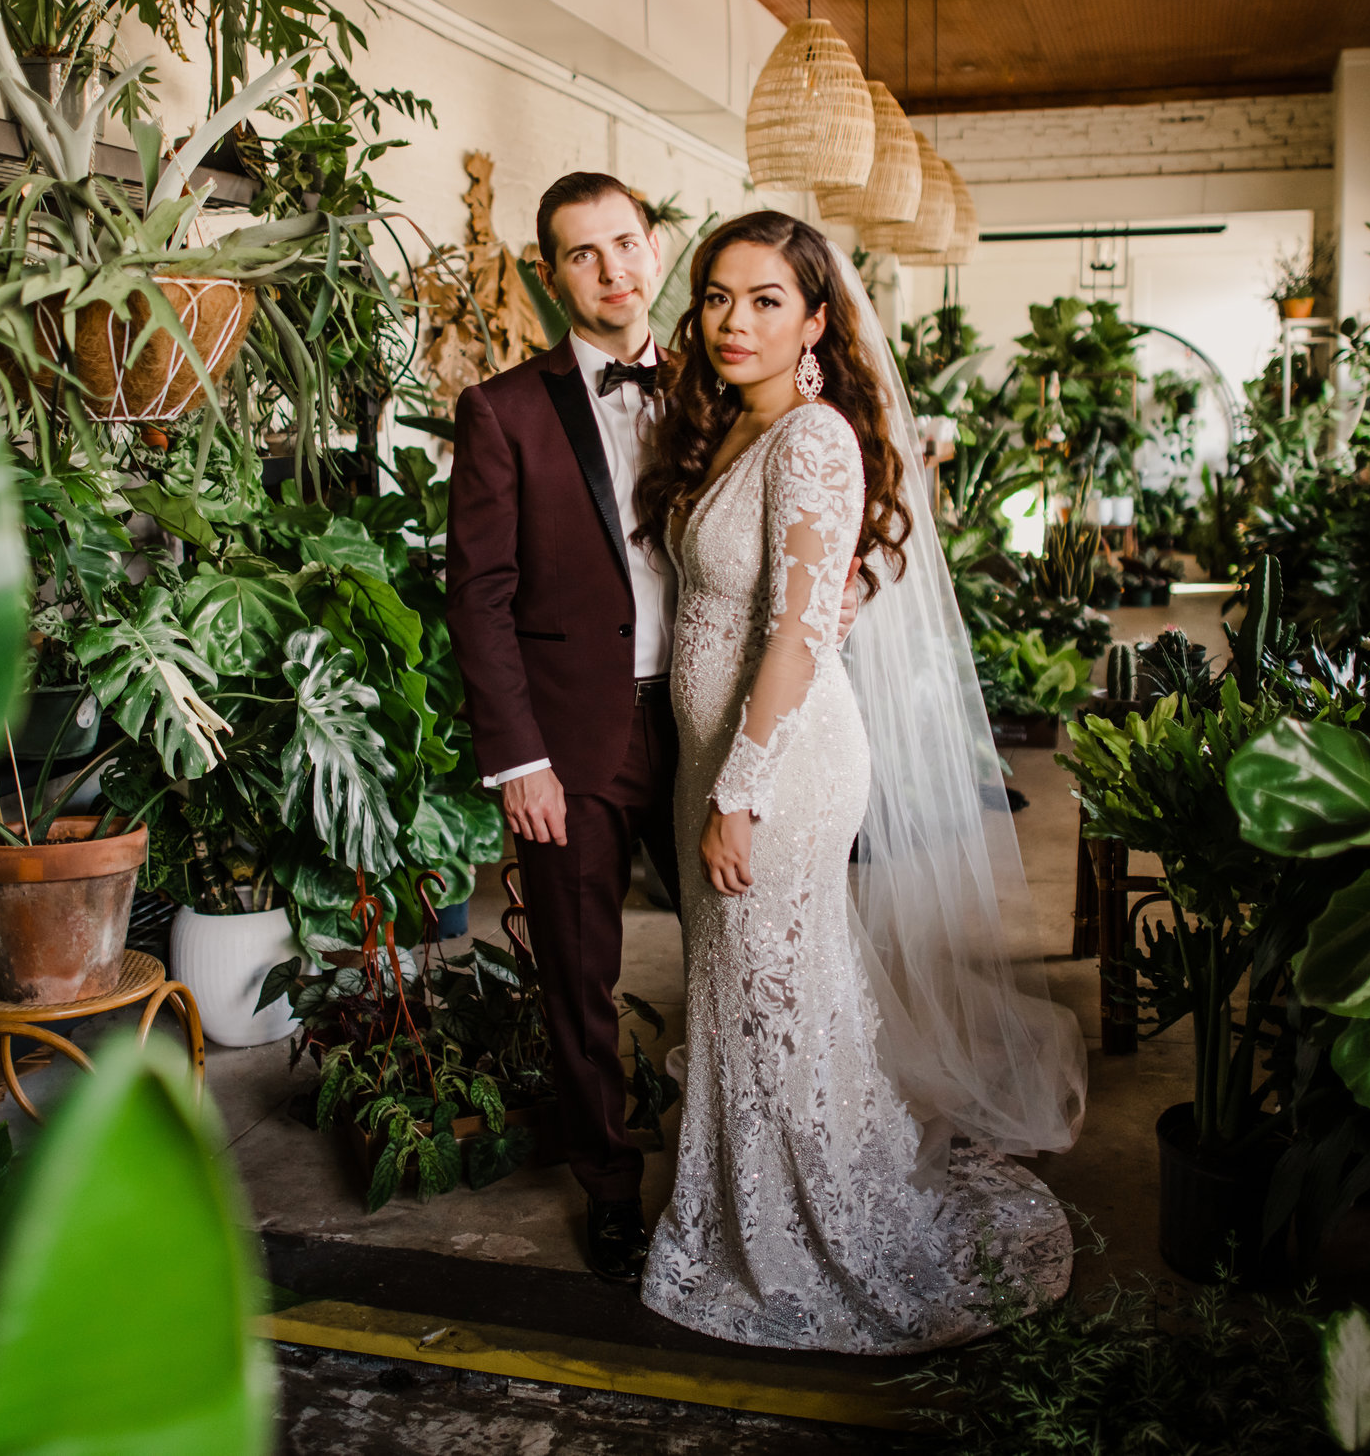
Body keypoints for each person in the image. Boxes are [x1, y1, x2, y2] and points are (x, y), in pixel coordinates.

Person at [628, 211, 1084, 1354]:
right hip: (713, 764)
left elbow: (792, 636)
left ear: (818, 319)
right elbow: (815, 592)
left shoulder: (814, 438)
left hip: (773, 770)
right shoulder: (737, 427)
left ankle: (810, 1230)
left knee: (769, 991)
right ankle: (745, 1209)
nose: (734, 321)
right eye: (718, 297)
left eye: (766, 299)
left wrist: (741, 785)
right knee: (743, 992)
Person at [444, 173, 683, 1283]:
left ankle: (741, 1164)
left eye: (626, 244)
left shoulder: (716, 386)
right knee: (578, 979)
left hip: (705, 722)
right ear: (551, 275)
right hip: (569, 747)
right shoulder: (502, 411)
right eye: (583, 255)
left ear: (656, 248)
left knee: (745, 956)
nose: (612, 270)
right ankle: (610, 1189)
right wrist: (518, 759)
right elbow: (479, 597)